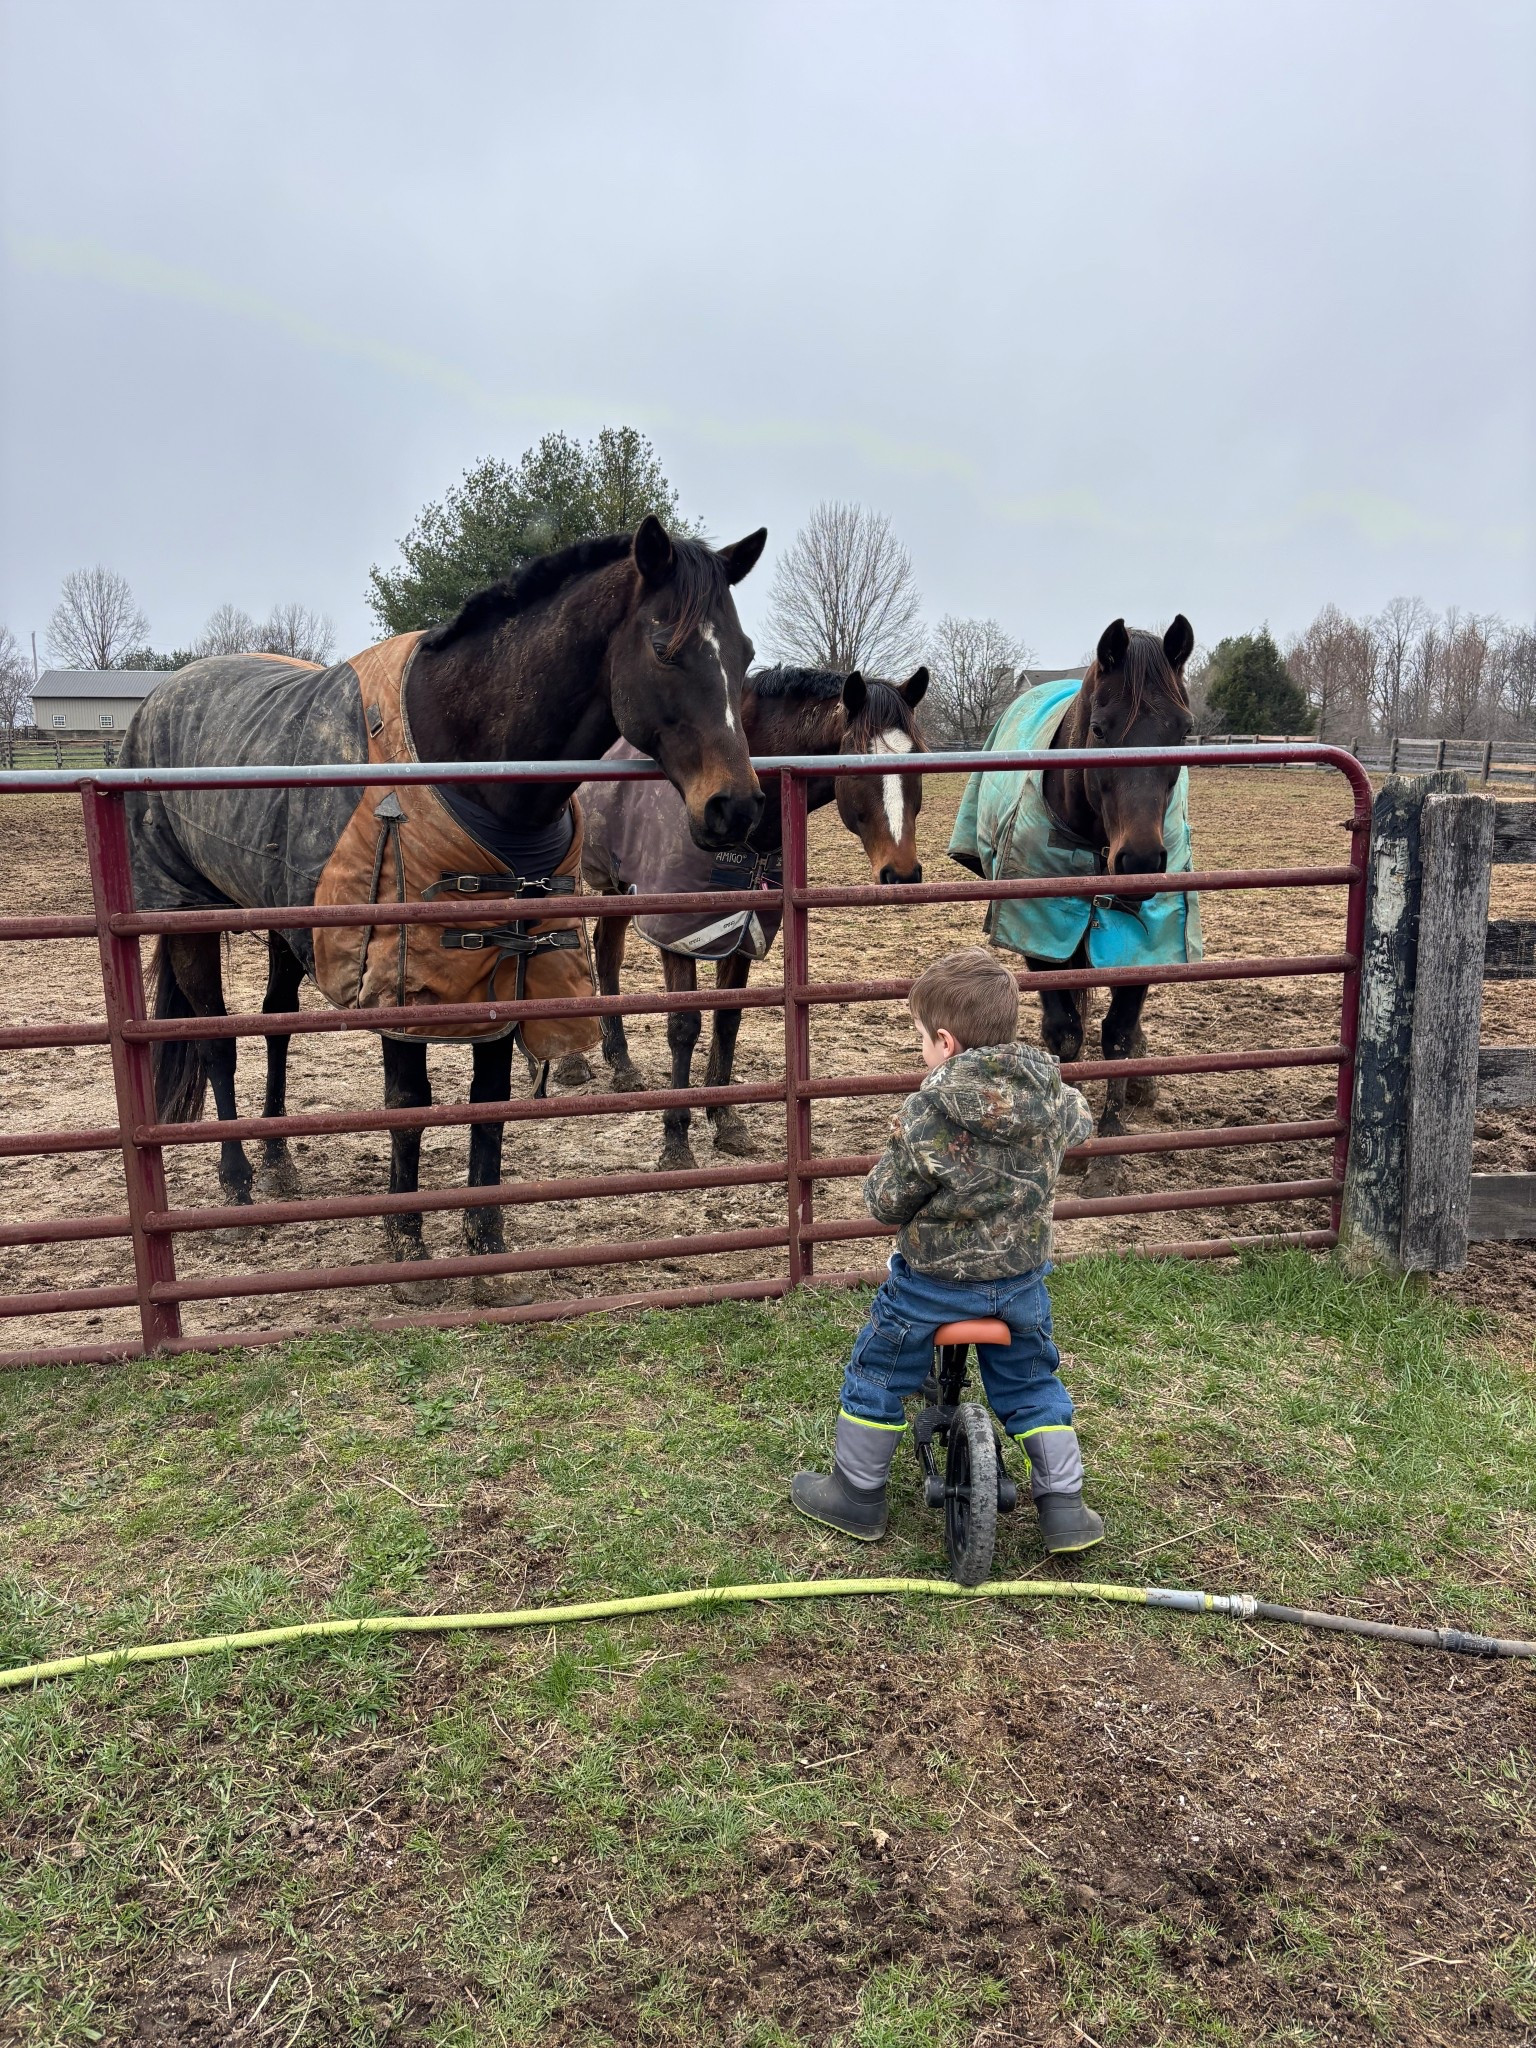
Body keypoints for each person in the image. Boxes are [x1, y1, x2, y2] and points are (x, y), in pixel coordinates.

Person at [790, 945, 1103, 1555]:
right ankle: (1064, 1505)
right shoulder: (1053, 1096)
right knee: (1033, 1380)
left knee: (878, 1371)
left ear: (945, 1042)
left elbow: (886, 1201)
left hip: (930, 1284)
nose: (922, 1054)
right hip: (1019, 1282)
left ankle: (856, 1494)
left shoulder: (929, 1113)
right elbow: (1081, 1125)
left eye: (921, 1042)